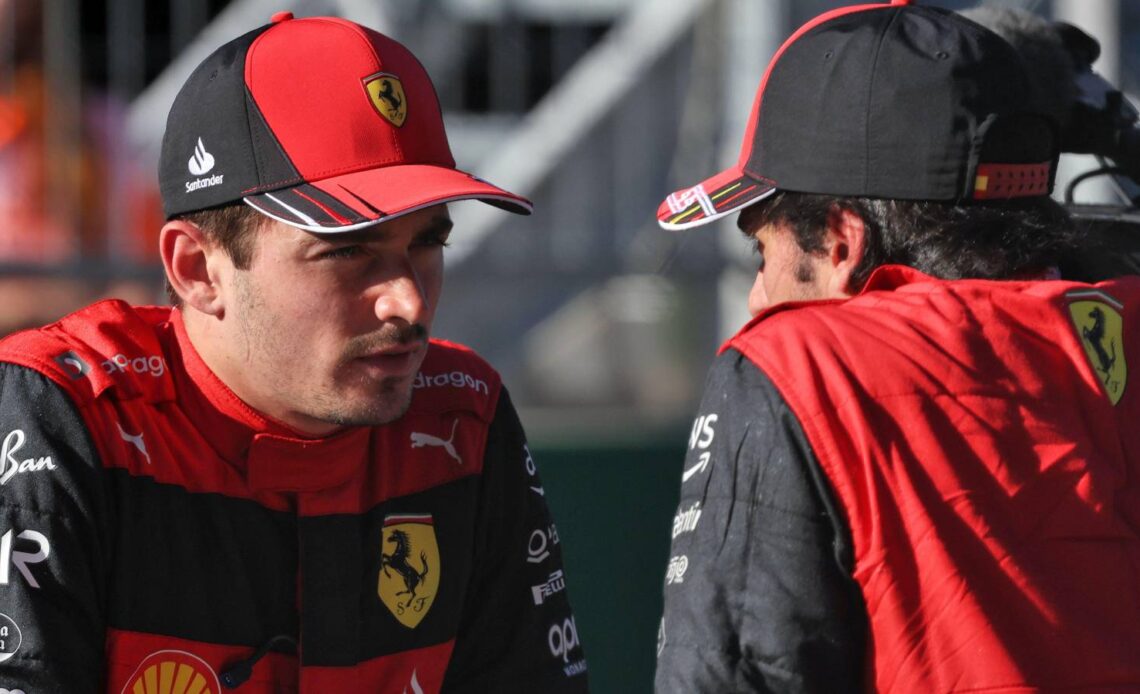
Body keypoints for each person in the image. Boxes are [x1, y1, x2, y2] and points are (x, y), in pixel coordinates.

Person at [0, 12, 587, 692]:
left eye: (428, 243)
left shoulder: (462, 413)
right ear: (196, 269)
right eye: (346, 252)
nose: (407, 301)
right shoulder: (65, 416)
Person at [653, 1, 1140, 692]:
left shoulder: (798, 365)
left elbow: (735, 674)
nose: (757, 298)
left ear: (844, 242)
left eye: (763, 255)